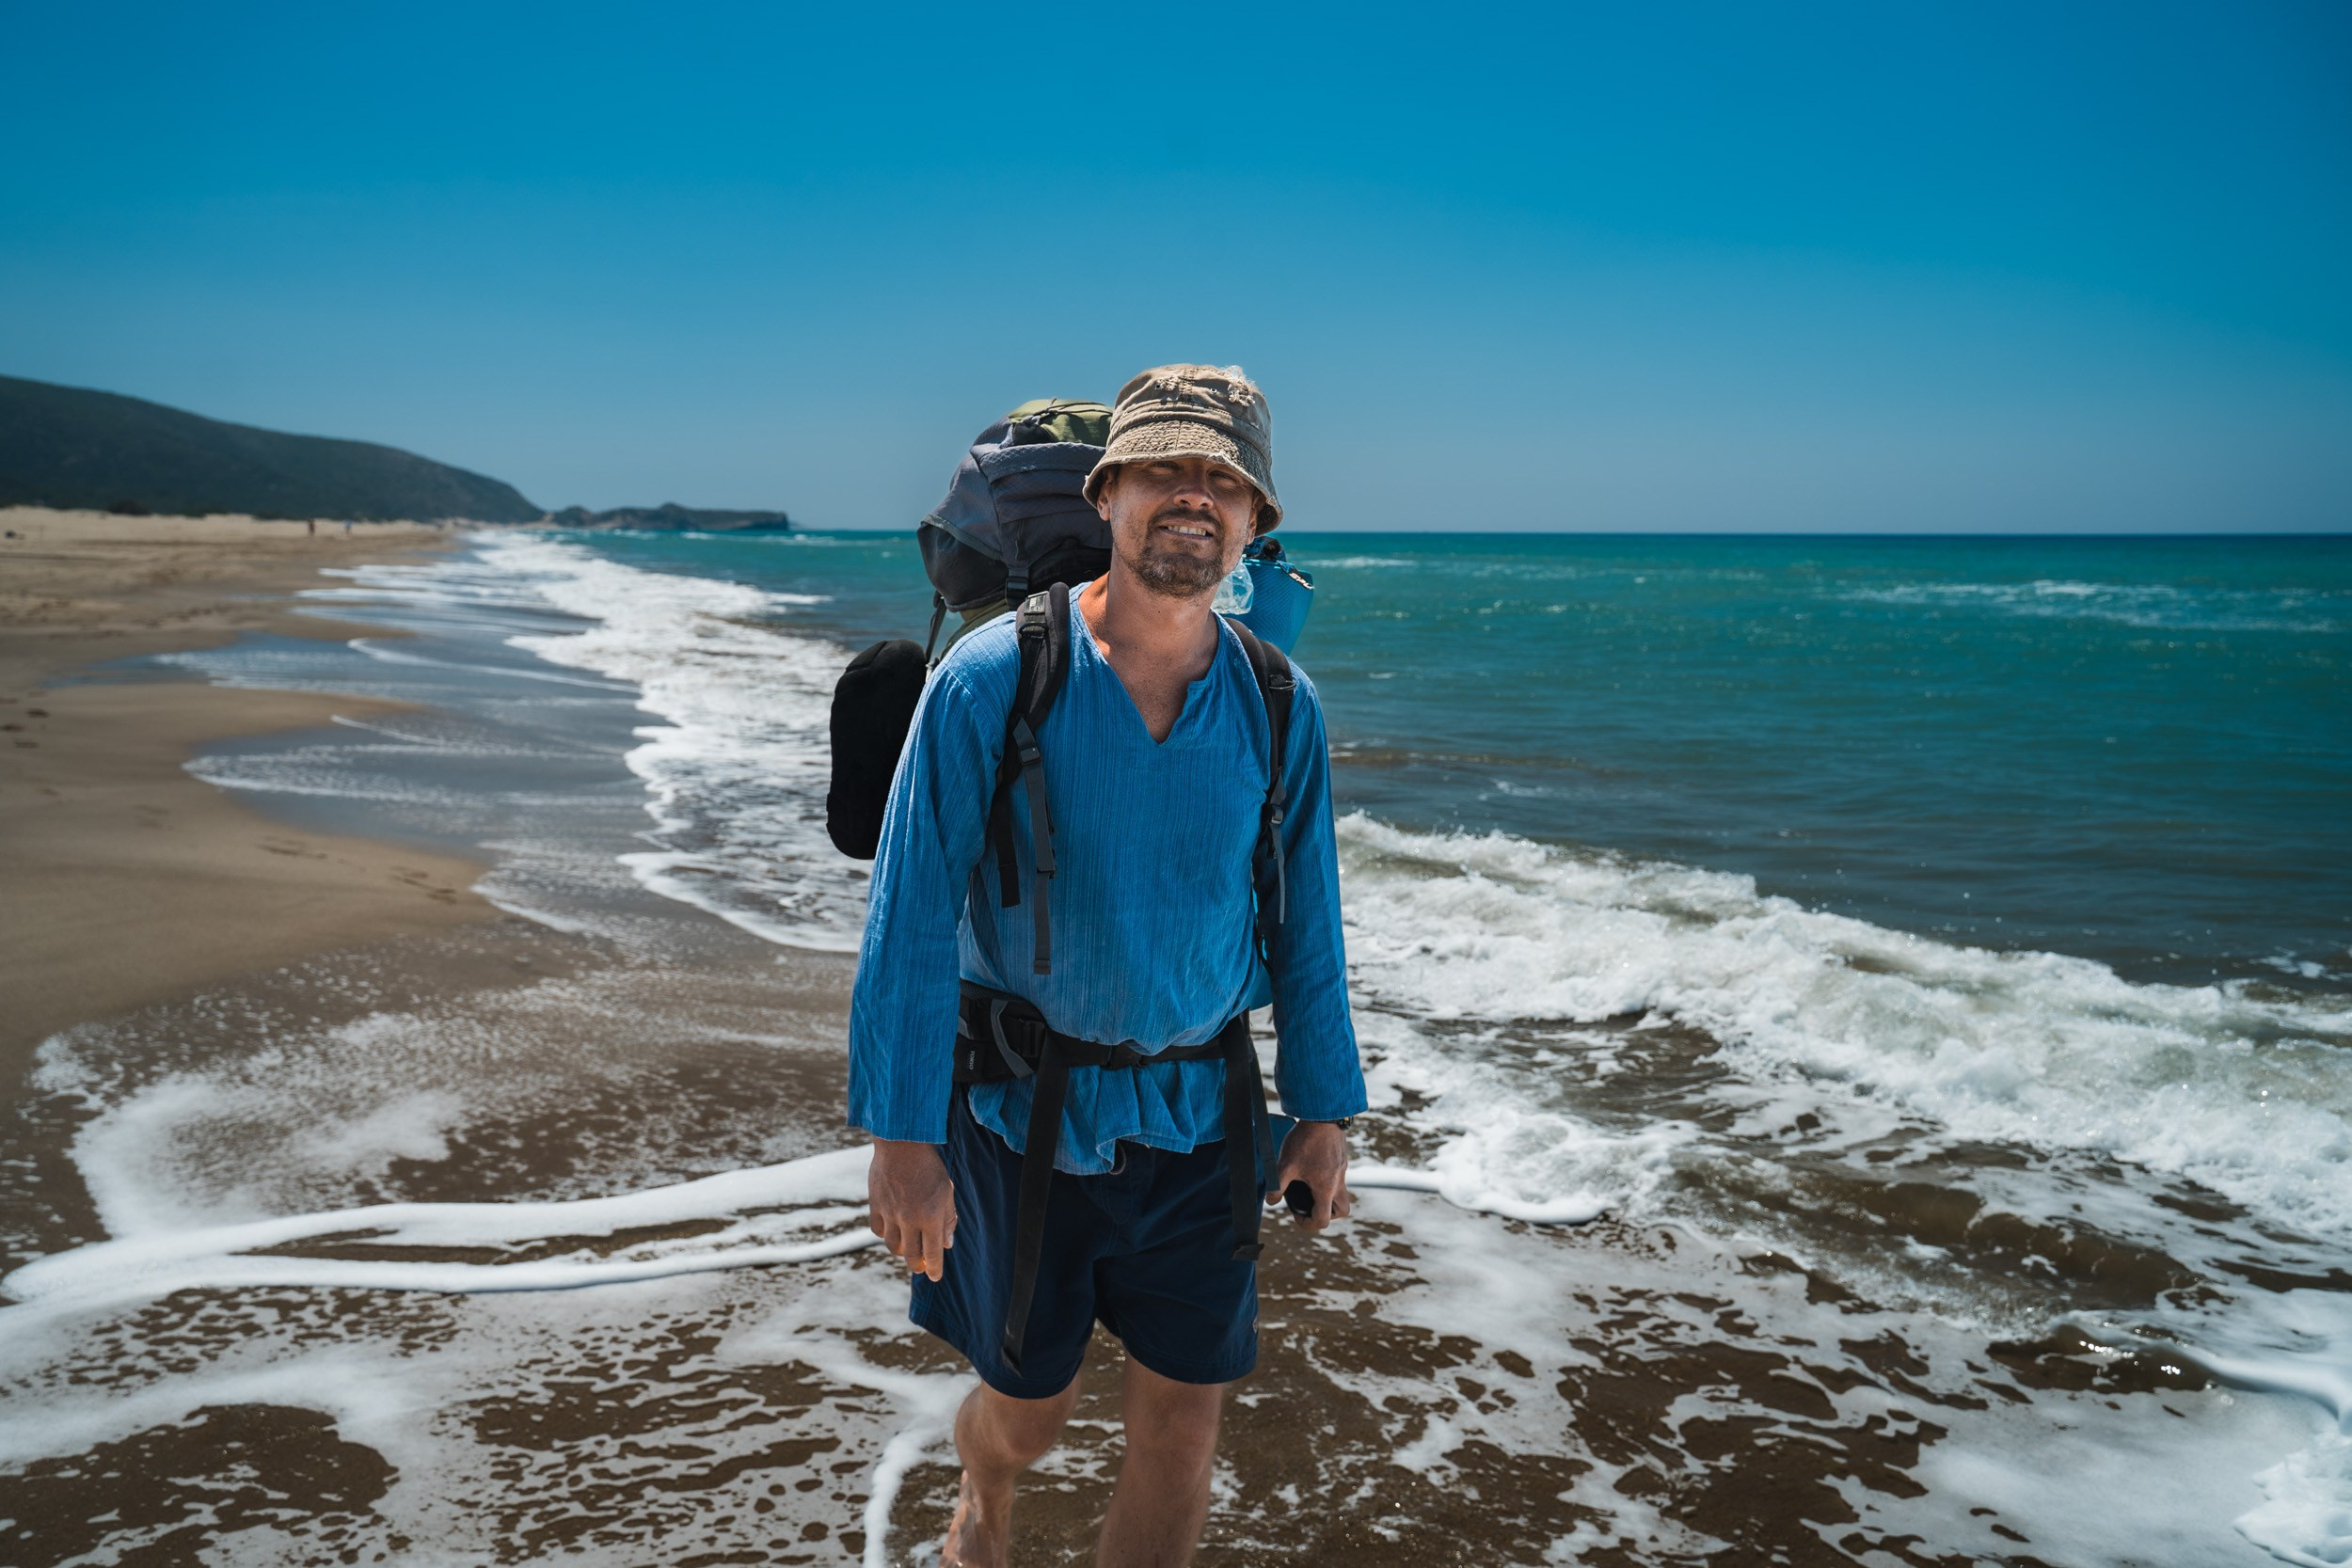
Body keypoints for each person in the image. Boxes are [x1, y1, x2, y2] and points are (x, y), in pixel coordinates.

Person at [849, 364, 1364, 1567]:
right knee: (1029, 1416)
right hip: (1021, 1118)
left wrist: (1324, 1109)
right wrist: (902, 1136)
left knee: (1185, 1422)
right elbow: (911, 914)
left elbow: (1310, 925)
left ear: (1254, 518)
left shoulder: (1280, 701)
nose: (1196, 495)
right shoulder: (992, 678)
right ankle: (982, 1501)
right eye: (1165, 470)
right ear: (1111, 491)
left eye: (1223, 480)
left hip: (1205, 1114)